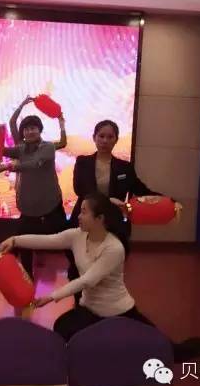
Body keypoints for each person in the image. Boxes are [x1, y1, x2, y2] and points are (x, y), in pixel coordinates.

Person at [0, 193, 200, 364]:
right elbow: (47, 240)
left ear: (100, 219)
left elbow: (88, 280)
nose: (78, 216)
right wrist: (15, 240)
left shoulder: (114, 248)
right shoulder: (77, 236)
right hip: (89, 311)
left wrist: (52, 296)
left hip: (119, 312)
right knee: (62, 329)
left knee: (170, 353)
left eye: (84, 212)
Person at [66, 120, 164, 304]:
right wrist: (108, 201)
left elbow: (141, 190)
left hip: (112, 224)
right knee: (78, 266)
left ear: (116, 140)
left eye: (110, 137)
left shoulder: (124, 167)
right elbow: (81, 189)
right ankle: (80, 304)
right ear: (94, 138)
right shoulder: (83, 162)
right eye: (101, 136)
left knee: (108, 269)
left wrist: (167, 201)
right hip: (85, 221)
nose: (105, 140)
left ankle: (102, 305)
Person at [0, 106, 66, 279]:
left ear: (39, 130)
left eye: (33, 128)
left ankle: (77, 272)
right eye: (26, 129)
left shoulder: (48, 147)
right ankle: (27, 276)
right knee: (23, 242)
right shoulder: (20, 148)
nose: (30, 131)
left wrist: (9, 166)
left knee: (66, 238)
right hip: (28, 205)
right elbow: (3, 144)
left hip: (51, 203)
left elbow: (35, 163)